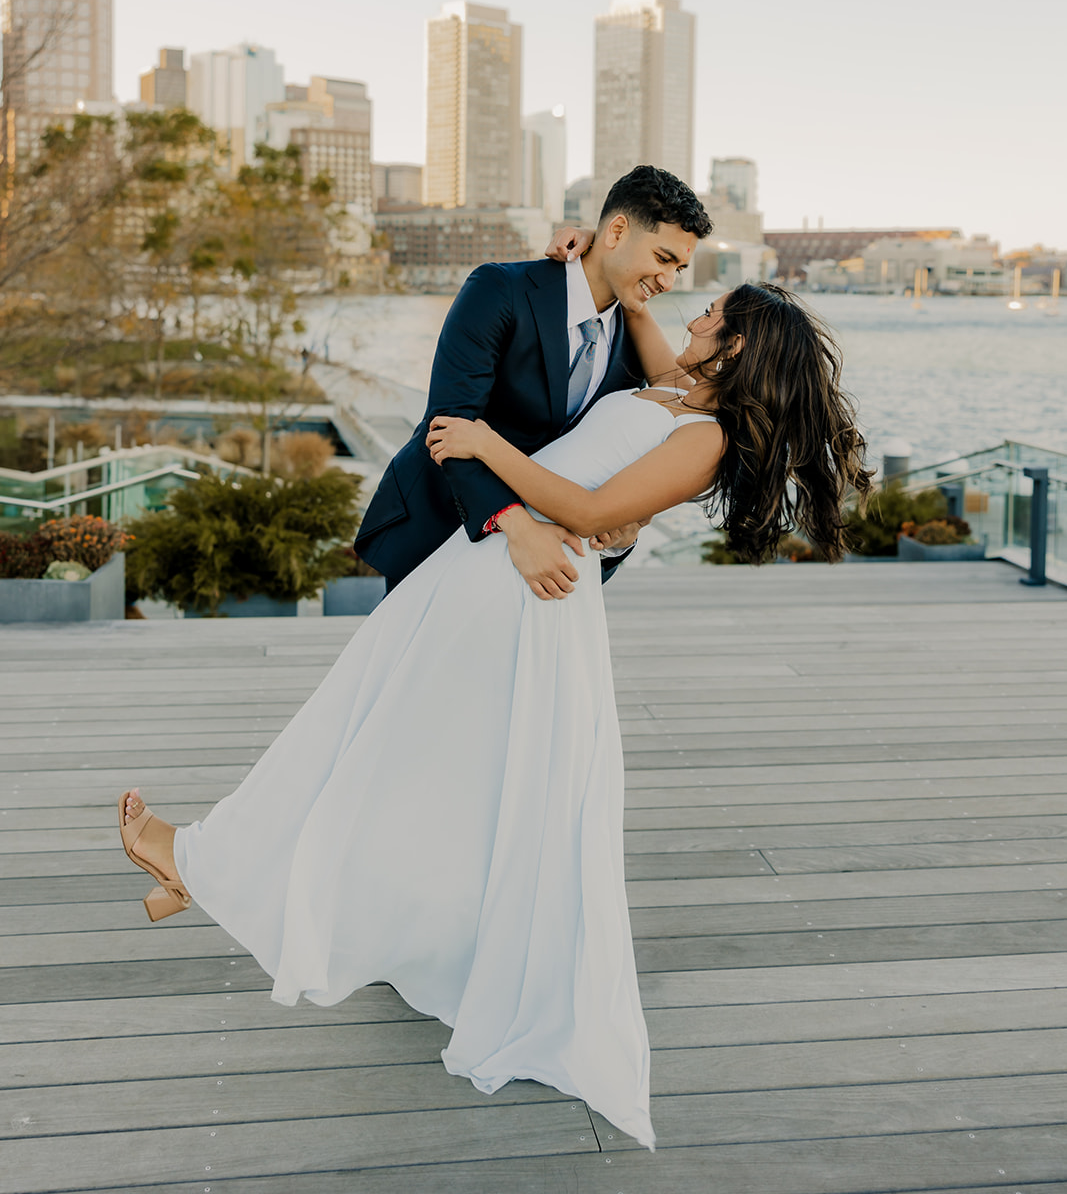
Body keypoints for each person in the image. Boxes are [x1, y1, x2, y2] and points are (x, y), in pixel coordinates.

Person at [117, 282, 871, 1152]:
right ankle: (250, 882)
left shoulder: (704, 439)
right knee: (394, 742)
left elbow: (594, 511)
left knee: (398, 748)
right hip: (483, 572)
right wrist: (603, 273)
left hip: (526, 592)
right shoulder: (675, 387)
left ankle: (205, 865)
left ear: (737, 348)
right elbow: (644, 328)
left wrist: (486, 444)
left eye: (713, 316)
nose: (694, 315)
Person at [354, 165, 712, 600]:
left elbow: (665, 417)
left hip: (543, 567)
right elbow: (448, 423)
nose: (670, 282)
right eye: (663, 259)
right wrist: (517, 526)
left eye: (680, 268)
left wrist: (623, 532)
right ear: (617, 230)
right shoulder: (499, 289)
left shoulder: (635, 337)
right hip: (444, 527)